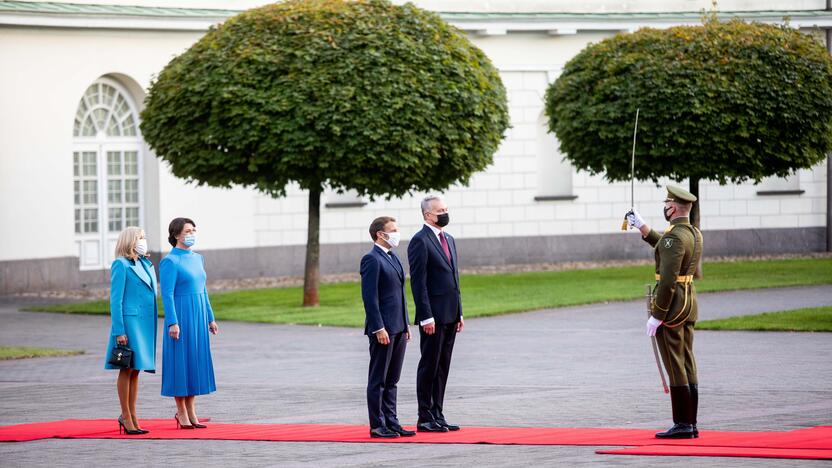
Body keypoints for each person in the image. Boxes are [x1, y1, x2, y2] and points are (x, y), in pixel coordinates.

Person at [626, 185, 703, 439]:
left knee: (674, 362)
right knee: (687, 359)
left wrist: (657, 314)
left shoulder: (675, 237)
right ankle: (691, 423)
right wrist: (643, 227)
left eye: (667, 202)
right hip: (688, 302)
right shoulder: (691, 233)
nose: (665, 206)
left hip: (672, 305)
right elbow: (667, 248)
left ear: (673, 207)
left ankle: (682, 423)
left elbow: (668, 281)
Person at [407, 195, 464, 433]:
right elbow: (418, 283)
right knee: (429, 364)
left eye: (446, 209)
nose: (445, 213)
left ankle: (438, 413)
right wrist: (425, 315)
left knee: (443, 365)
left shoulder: (448, 239)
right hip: (433, 316)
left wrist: (459, 312)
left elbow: (454, 278)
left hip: (450, 313)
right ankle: (425, 416)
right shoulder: (420, 241)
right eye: (440, 210)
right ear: (428, 215)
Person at [160, 217, 218, 429]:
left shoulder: (198, 258)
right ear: (176, 235)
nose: (192, 234)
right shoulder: (170, 261)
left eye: (194, 230)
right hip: (181, 316)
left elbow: (203, 289)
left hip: (199, 314)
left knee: (194, 361)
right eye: (187, 231)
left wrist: (210, 317)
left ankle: (192, 410)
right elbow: (167, 294)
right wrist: (172, 322)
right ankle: (181, 411)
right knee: (180, 363)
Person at [360, 216, 414, 439]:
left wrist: (406, 323)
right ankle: (377, 424)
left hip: (398, 326)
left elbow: (399, 294)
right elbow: (369, 298)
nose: (397, 233)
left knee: (392, 379)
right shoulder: (371, 259)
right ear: (380, 234)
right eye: (393, 230)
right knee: (379, 379)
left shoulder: (392, 257)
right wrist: (378, 327)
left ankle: (392, 421)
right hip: (383, 329)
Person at [105, 226, 157, 435]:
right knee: (126, 369)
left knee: (136, 370)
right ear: (129, 241)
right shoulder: (121, 264)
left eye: (144, 237)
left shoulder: (145, 263)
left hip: (144, 324)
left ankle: (133, 415)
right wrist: (119, 330)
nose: (143, 241)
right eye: (139, 238)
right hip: (129, 323)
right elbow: (115, 301)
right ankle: (126, 416)